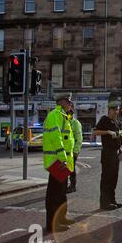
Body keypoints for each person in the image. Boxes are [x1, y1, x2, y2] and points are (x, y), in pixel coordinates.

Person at [43, 92, 76, 233]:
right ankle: (52, 224)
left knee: (61, 193)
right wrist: (63, 159)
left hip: (63, 162)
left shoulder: (64, 117)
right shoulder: (54, 116)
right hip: (57, 162)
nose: (71, 104)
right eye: (69, 102)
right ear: (62, 102)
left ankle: (61, 218)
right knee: (54, 194)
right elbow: (57, 139)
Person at [93, 101, 122, 210]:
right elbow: (95, 132)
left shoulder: (117, 122)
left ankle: (112, 200)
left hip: (115, 154)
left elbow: (120, 138)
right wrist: (107, 132)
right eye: (115, 109)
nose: (116, 111)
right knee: (107, 179)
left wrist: (121, 151)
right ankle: (104, 203)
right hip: (107, 153)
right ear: (110, 110)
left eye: (118, 109)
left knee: (114, 179)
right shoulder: (104, 119)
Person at [67, 102, 83, 194]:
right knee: (65, 169)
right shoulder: (65, 123)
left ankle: (73, 186)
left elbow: (79, 139)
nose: (68, 116)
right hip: (65, 151)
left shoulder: (75, 123)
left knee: (71, 170)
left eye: (70, 114)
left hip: (73, 151)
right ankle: (65, 186)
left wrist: (76, 151)